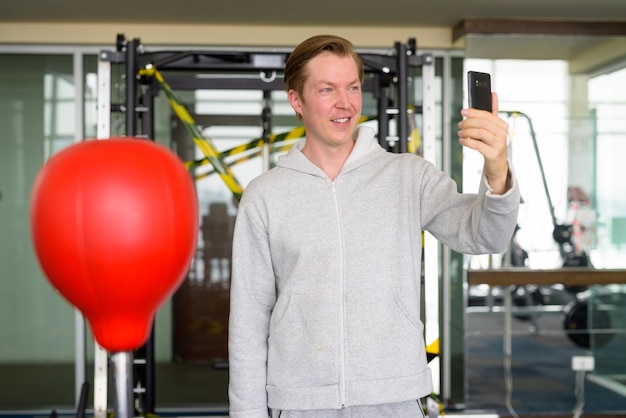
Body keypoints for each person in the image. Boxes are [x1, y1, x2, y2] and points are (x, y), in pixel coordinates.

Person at [228, 34, 520, 418]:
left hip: (395, 398)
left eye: (352, 87)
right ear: (296, 100)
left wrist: (497, 168)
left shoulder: (408, 176)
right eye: (327, 89)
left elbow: (486, 235)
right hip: (300, 402)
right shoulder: (265, 195)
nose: (344, 103)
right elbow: (248, 323)